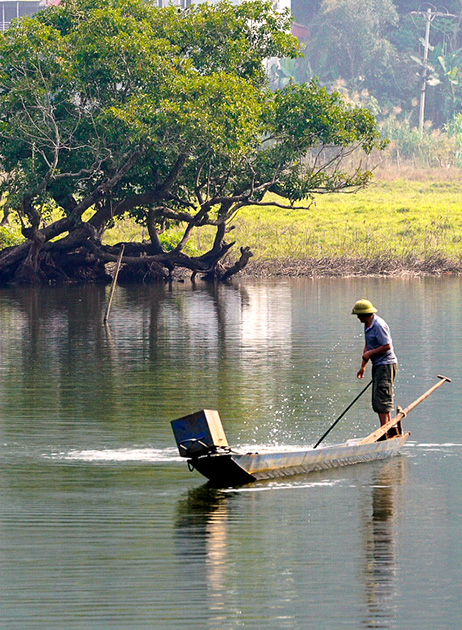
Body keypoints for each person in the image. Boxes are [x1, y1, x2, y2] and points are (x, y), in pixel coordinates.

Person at [352, 299, 398, 432]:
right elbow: (368, 346)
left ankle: (385, 430)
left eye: (359, 315)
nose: (358, 318)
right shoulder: (367, 325)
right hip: (378, 365)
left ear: (367, 314)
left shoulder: (378, 325)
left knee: (382, 398)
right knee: (378, 399)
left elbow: (387, 346)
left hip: (386, 365)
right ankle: (387, 429)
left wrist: (371, 353)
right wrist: (363, 366)